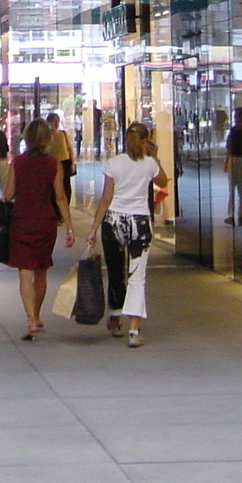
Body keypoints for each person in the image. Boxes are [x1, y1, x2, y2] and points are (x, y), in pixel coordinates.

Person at [88, 123, 168, 348]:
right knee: (137, 275)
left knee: (115, 271)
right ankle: (134, 329)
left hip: (113, 221)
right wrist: (156, 156)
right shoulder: (150, 164)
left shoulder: (113, 163)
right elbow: (163, 182)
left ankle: (115, 316)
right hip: (139, 222)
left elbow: (106, 198)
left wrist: (94, 228)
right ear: (146, 141)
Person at [4, 119, 73, 340]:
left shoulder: (18, 163)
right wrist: (70, 227)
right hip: (45, 220)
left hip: (21, 220)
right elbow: (60, 197)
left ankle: (30, 319)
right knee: (41, 270)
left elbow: (7, 195)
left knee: (24, 271)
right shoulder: (53, 164)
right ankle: (37, 314)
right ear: (47, 139)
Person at [224, 107, 242, 226]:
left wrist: (226, 162)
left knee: (240, 189)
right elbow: (229, 148)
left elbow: (229, 148)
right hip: (239, 160)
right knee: (239, 189)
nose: (236, 119)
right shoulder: (241, 131)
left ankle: (238, 215)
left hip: (241, 160)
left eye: (237, 116)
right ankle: (238, 216)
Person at [46, 111, 75, 204]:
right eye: (54, 121)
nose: (56, 123)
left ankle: (66, 204)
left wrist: (72, 162)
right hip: (53, 163)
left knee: (66, 185)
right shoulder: (47, 136)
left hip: (65, 161)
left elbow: (69, 148)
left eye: (58, 121)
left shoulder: (63, 134)